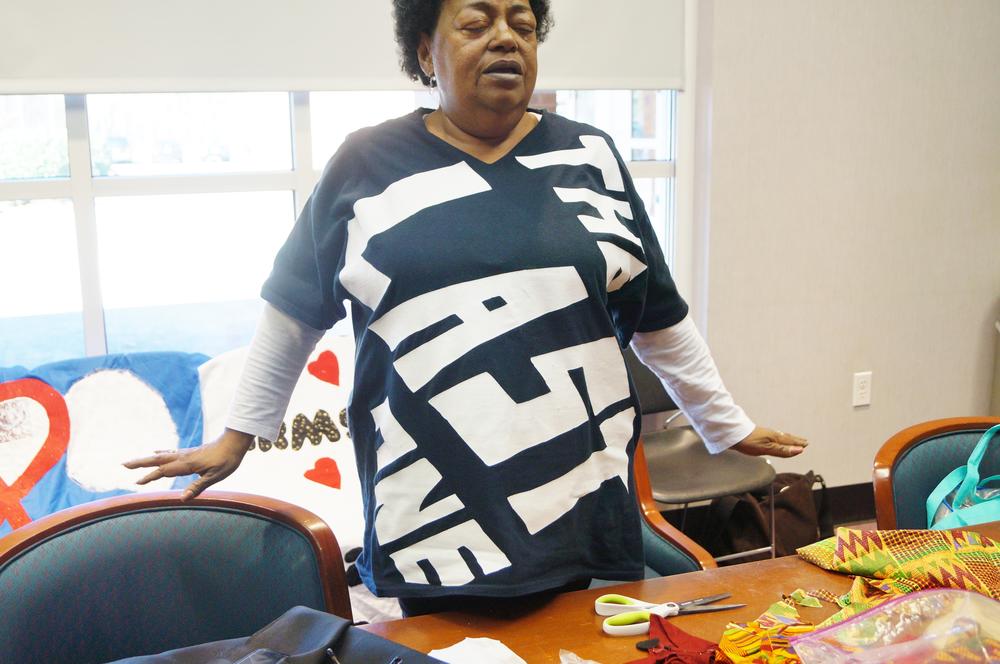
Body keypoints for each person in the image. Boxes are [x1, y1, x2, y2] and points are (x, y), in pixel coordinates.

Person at [125, 0, 807, 617]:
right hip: (436, 509)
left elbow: (657, 313)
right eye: (476, 23)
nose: (504, 39)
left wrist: (723, 421)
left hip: (579, 495)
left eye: (521, 23)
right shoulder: (365, 165)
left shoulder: (590, 157)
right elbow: (294, 310)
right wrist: (238, 435)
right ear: (425, 52)